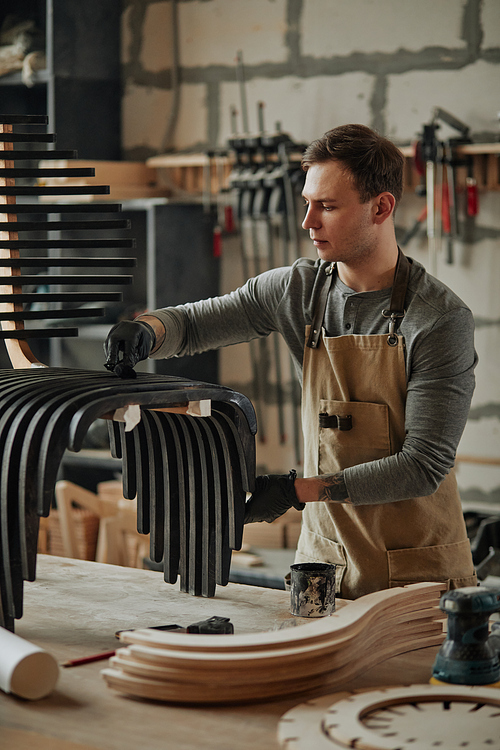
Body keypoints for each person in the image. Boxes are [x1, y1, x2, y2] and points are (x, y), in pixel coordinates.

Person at [104, 123, 477, 599]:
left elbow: (421, 467)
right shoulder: (297, 291)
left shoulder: (438, 319)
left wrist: (294, 490)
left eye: (328, 206)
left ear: (381, 207)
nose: (308, 221)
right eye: (307, 202)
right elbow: (196, 324)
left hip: (415, 574)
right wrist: (148, 330)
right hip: (323, 563)